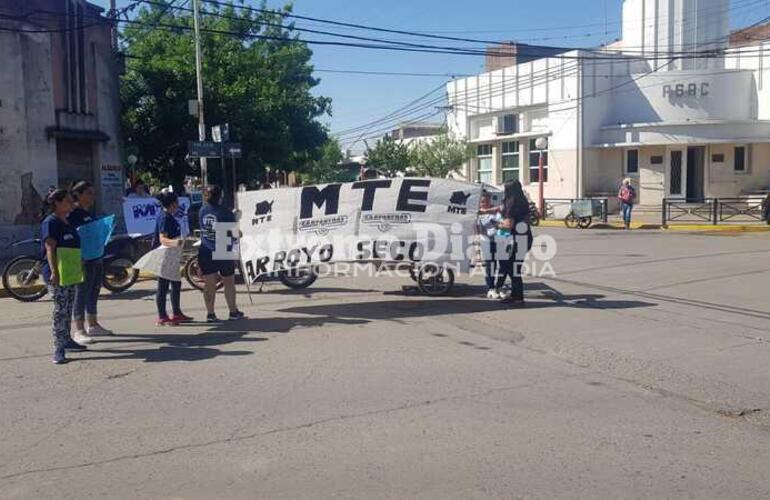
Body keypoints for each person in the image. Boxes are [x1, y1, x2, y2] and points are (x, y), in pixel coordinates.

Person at [41, 189, 86, 364]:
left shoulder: (67, 221)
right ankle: (58, 349)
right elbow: (50, 248)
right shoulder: (51, 222)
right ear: (57, 203)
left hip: (70, 272)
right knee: (60, 311)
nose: (71, 204)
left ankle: (67, 340)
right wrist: (54, 272)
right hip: (57, 273)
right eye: (67, 201)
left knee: (68, 308)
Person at [69, 181, 113, 344]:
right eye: (88, 193)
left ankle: (93, 324)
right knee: (81, 293)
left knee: (94, 290)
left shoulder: (88, 212)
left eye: (93, 193)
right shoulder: (74, 213)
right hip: (83, 259)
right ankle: (79, 329)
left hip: (96, 257)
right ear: (78, 195)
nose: (92, 196)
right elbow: (75, 236)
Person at [198, 185, 246, 322]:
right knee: (228, 281)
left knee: (209, 283)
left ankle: (210, 314)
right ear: (220, 196)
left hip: (206, 247)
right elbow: (235, 233)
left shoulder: (202, 210)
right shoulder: (225, 212)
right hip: (223, 244)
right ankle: (233, 311)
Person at [153, 192, 193, 326]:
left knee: (176, 283)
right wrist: (176, 242)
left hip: (172, 254)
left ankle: (176, 313)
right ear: (172, 203)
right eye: (176, 202)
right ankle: (162, 316)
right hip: (164, 254)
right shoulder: (164, 217)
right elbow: (162, 238)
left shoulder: (169, 216)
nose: (178, 205)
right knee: (163, 285)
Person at [495, 180, 532, 306]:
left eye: (505, 188)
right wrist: (487, 211)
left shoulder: (512, 203)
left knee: (513, 268)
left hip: (519, 240)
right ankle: (515, 295)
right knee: (512, 268)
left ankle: (518, 298)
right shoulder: (521, 200)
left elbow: (508, 225)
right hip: (524, 238)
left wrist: (494, 225)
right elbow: (500, 209)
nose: (503, 190)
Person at [477, 193, 501, 299]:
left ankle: (497, 287)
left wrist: (494, 223)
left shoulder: (494, 212)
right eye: (482, 202)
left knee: (498, 265)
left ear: (490, 201)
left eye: (486, 201)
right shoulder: (478, 213)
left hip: (498, 241)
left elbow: (500, 223)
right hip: (485, 241)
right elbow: (476, 228)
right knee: (489, 265)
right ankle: (490, 287)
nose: (484, 204)